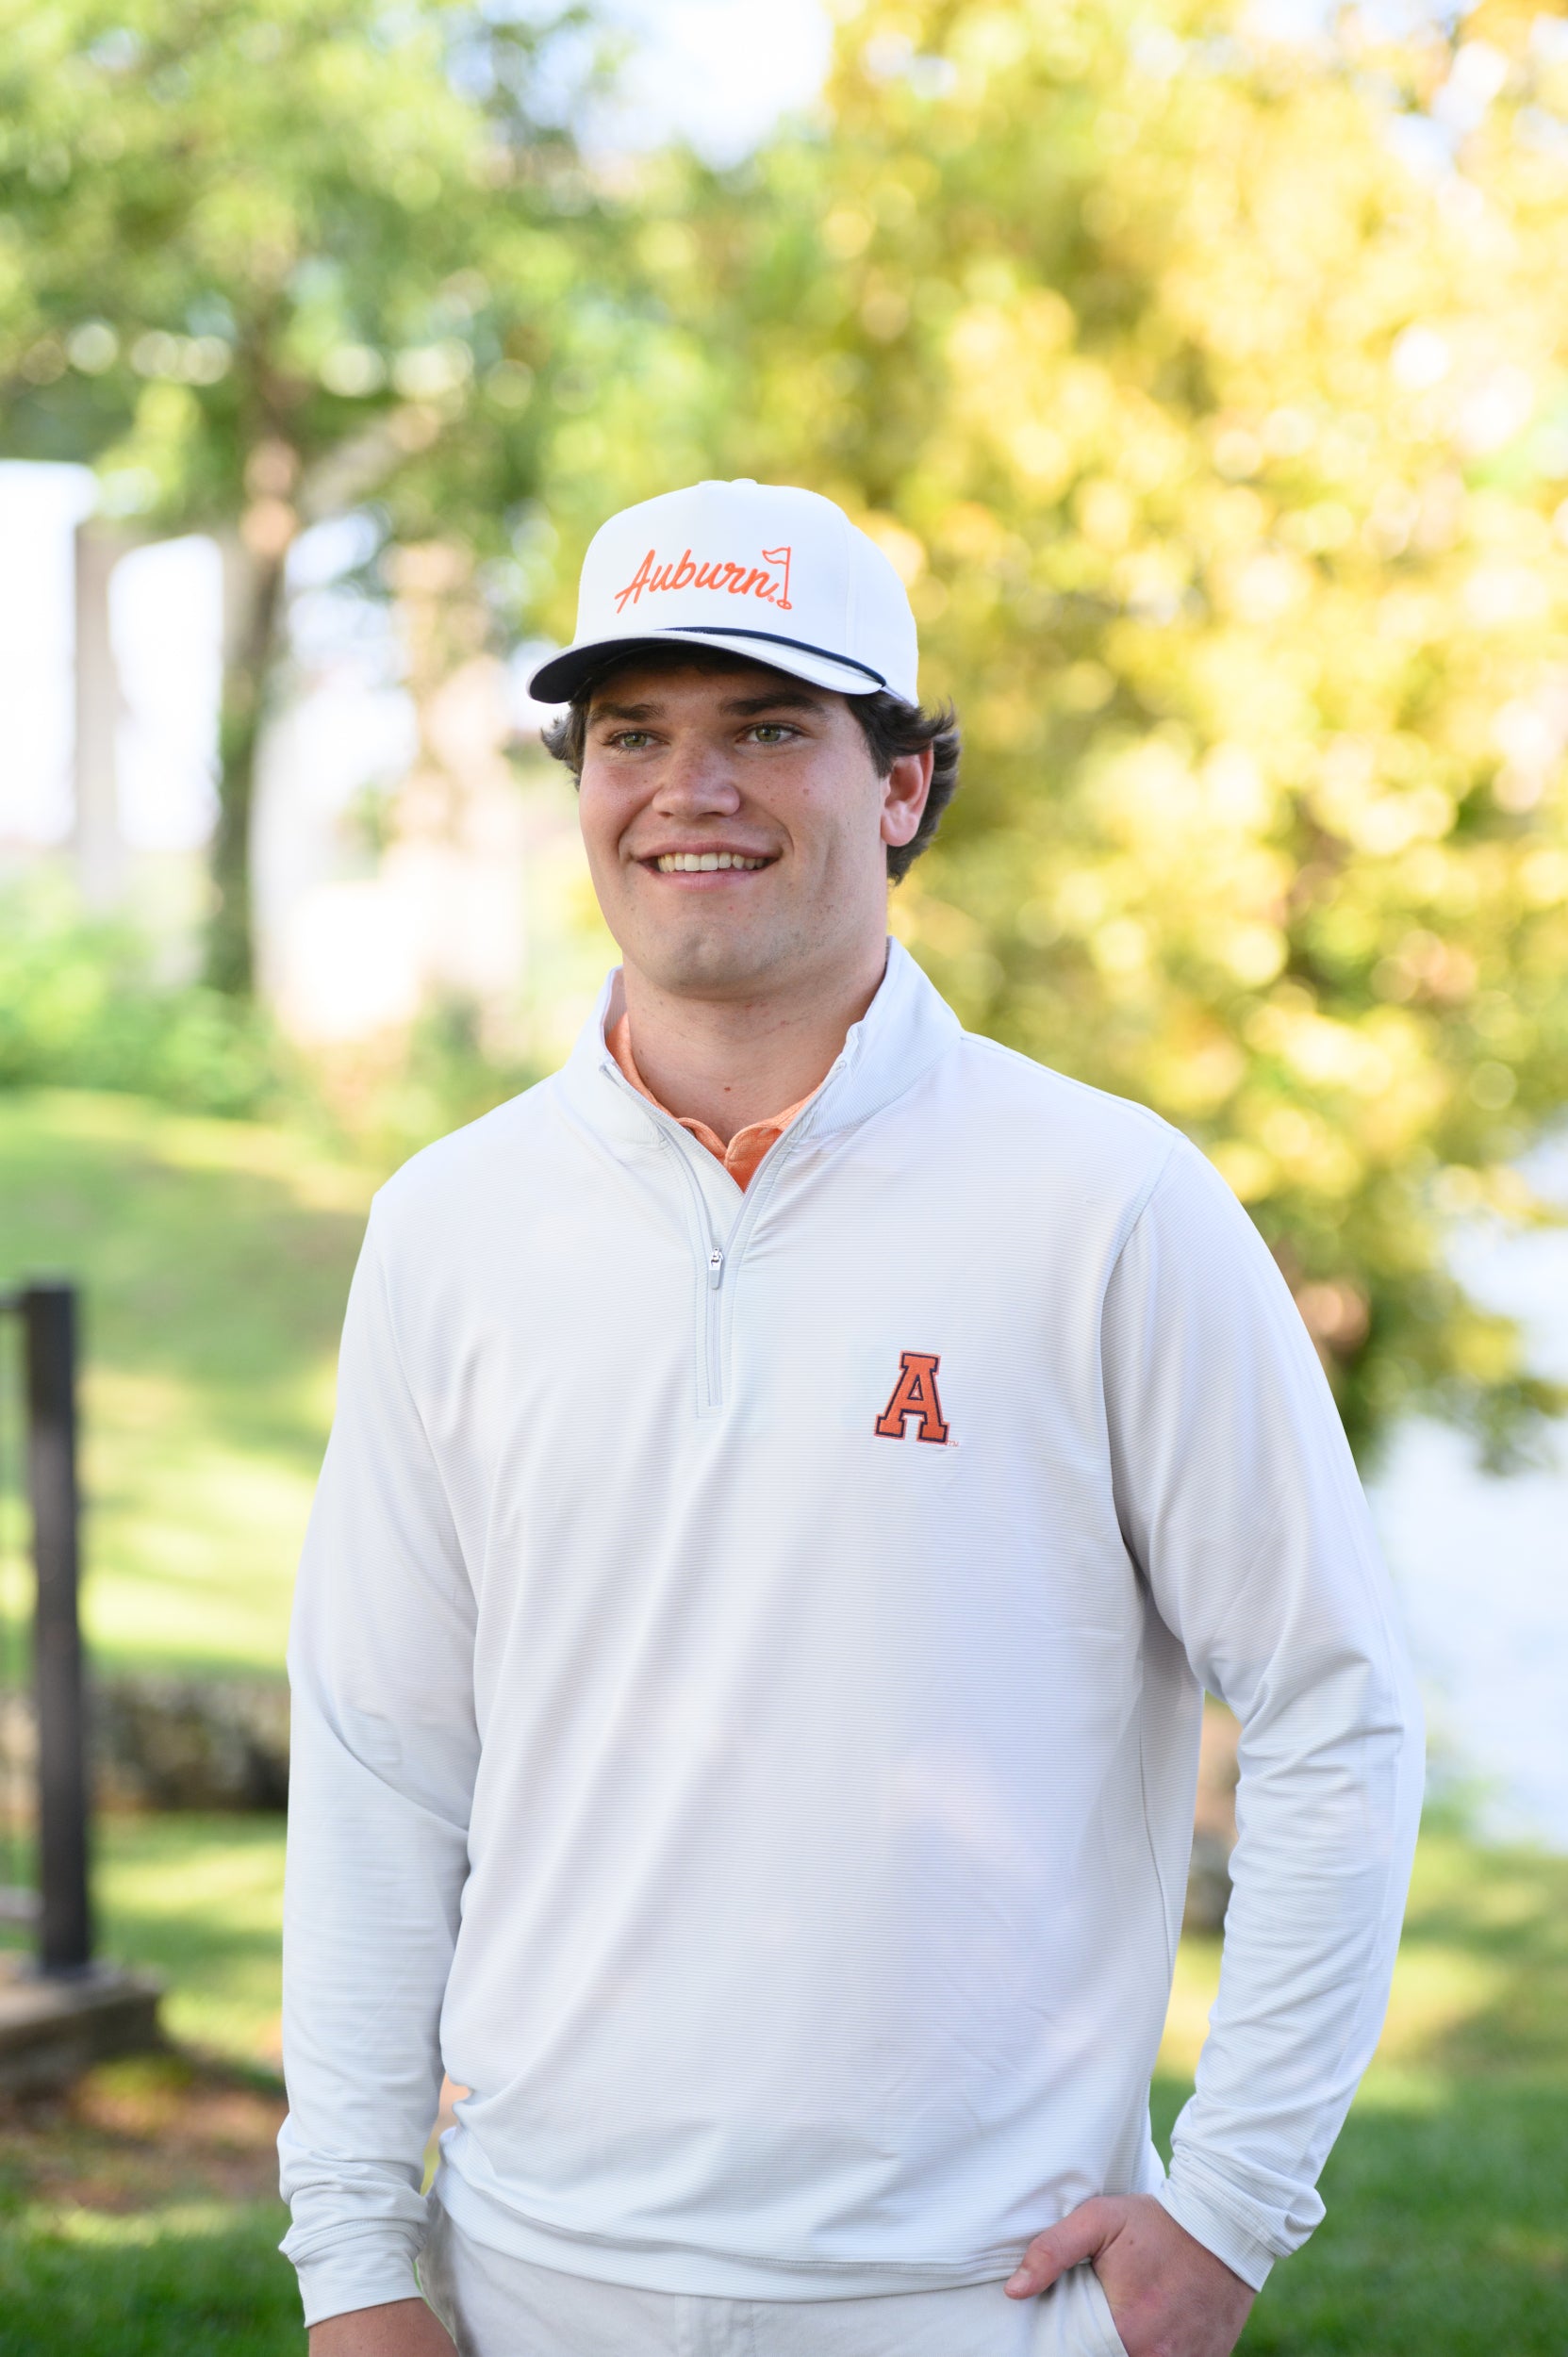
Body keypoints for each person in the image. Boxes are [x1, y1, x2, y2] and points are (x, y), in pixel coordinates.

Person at [278, 478, 1424, 2357]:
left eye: (769, 729)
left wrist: (1224, 2209)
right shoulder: (447, 1226)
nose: (688, 789)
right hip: (526, 2281)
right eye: (633, 732)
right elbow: (384, 1750)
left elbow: (1332, 1696)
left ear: (898, 784)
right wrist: (356, 2255)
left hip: (975, 2297)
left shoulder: (1106, 1203)